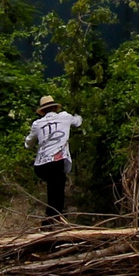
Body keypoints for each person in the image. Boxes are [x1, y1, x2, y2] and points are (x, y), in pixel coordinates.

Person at [25, 94, 82, 223]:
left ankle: (54, 216)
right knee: (57, 185)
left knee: (54, 185)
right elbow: (78, 122)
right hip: (57, 160)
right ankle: (53, 216)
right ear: (55, 108)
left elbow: (28, 143)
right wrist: (78, 114)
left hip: (41, 165)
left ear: (42, 111)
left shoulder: (37, 124)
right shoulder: (65, 117)